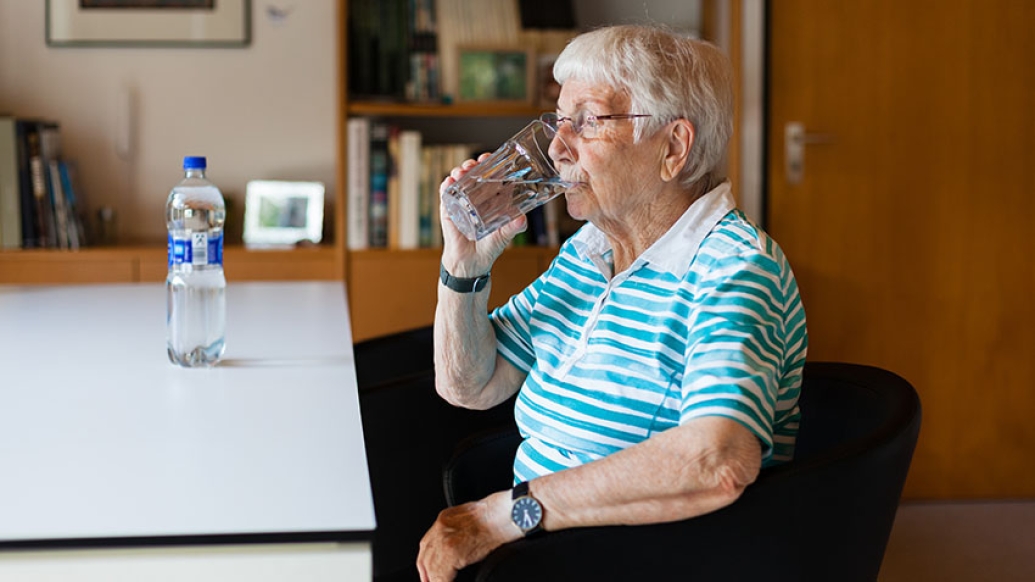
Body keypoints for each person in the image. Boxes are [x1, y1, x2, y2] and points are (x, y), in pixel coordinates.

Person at [418, 24, 807, 582]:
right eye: (558, 121)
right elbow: (471, 385)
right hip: (540, 554)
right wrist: (464, 267)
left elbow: (717, 461)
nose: (556, 147)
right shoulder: (591, 251)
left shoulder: (735, 267)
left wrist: (505, 514)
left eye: (588, 121)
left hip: (644, 561)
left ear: (673, 147)